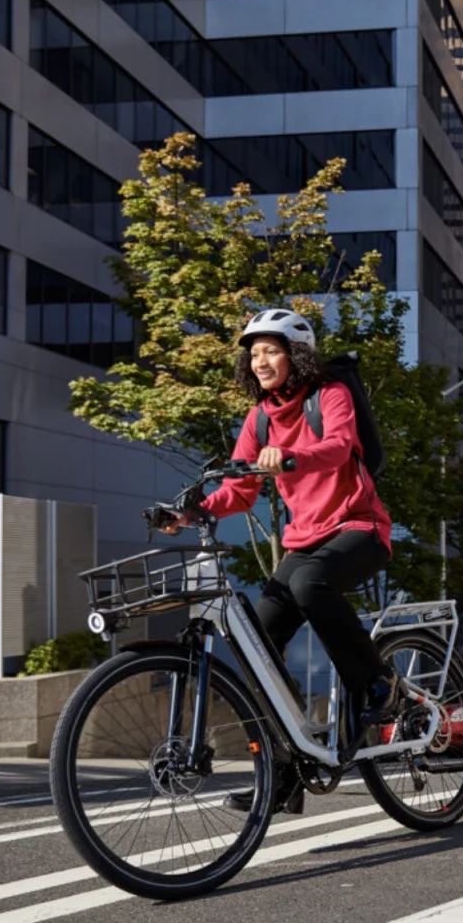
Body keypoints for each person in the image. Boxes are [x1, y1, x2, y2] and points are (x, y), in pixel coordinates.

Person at [187, 308, 398, 814]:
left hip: (359, 528)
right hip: (305, 542)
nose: (260, 360)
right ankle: (285, 776)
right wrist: (193, 509)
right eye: (253, 352)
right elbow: (238, 490)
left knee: (308, 586)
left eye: (271, 349)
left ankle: (377, 682)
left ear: (295, 354)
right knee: (257, 645)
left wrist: (289, 458)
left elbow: (338, 446)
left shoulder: (329, 395)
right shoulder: (259, 417)